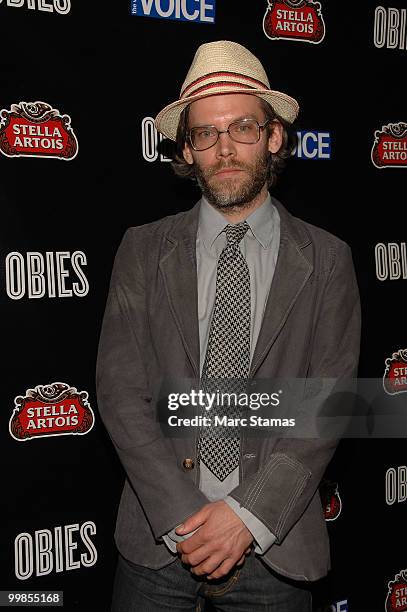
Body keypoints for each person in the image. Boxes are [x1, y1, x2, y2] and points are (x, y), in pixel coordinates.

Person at [96, 40, 361, 611]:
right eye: (206, 134)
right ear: (187, 150)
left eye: (242, 127)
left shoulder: (329, 259)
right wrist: (183, 519)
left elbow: (329, 402)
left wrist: (247, 517)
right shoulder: (141, 251)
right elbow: (119, 393)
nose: (224, 149)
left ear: (273, 136)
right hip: (157, 544)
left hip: (275, 547)